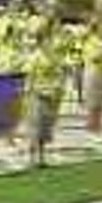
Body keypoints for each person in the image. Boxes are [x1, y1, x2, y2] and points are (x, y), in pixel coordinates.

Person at [24, 25, 66, 167]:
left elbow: (60, 74)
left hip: (51, 95)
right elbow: (29, 77)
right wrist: (28, 94)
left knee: (45, 128)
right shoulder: (34, 57)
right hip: (37, 95)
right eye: (47, 41)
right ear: (40, 42)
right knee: (35, 127)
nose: (50, 43)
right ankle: (31, 157)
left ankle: (42, 157)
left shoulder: (55, 56)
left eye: (51, 40)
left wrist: (59, 89)